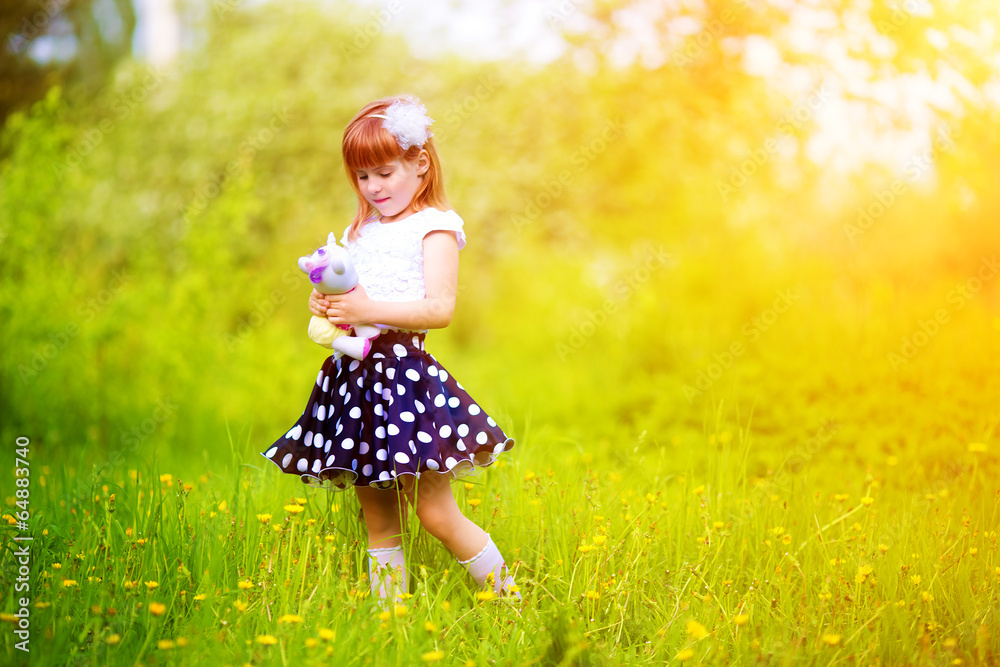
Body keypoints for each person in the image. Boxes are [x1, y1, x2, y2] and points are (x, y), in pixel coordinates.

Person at [261, 95, 519, 603]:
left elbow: (439, 308)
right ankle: (390, 621)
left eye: (384, 173)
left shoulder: (435, 226)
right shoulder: (360, 231)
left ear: (419, 163)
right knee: (378, 519)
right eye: (362, 176)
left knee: (434, 512)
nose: (373, 187)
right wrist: (326, 303)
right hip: (354, 382)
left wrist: (365, 307)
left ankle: (509, 597)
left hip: (404, 381)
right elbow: (350, 297)